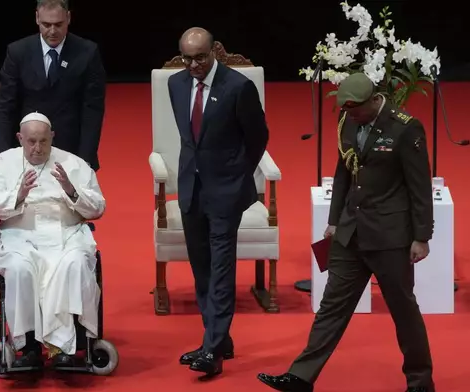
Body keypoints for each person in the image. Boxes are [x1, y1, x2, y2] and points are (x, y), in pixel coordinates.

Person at [257, 72, 435, 392]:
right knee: (331, 307)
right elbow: (343, 173)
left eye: (356, 111)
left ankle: (420, 383)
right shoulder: (348, 122)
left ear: (373, 100)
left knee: (403, 311)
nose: (351, 116)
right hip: (350, 232)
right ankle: (301, 376)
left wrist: (422, 236)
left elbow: (420, 187)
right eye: (348, 112)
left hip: (391, 237)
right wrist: (333, 220)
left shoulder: (405, 128)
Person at [168, 27, 269, 377]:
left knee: (222, 270)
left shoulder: (238, 87)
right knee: (202, 268)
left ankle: (212, 350)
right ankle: (219, 337)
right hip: (191, 189)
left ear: (215, 52)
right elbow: (189, 139)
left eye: (200, 57)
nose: (193, 65)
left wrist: (236, 174)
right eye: (187, 58)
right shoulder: (176, 85)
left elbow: (258, 137)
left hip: (226, 191)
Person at [0, 112, 106, 368]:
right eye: (31, 142)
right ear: (20, 138)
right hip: (21, 235)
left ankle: (69, 345)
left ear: (52, 137)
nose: (37, 149)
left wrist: (72, 191)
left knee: (76, 264)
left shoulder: (74, 164)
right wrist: (17, 196)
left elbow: (98, 209)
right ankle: (28, 346)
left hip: (66, 232)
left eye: (43, 141)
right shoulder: (1, 164)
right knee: (19, 269)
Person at [0, 0, 106, 172]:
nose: (52, 31)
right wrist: (1, 157)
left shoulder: (87, 53)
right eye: (46, 24)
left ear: (68, 18)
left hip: (71, 152)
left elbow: (93, 110)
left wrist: (86, 160)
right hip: (27, 151)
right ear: (37, 18)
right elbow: (6, 108)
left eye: (58, 24)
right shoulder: (17, 52)